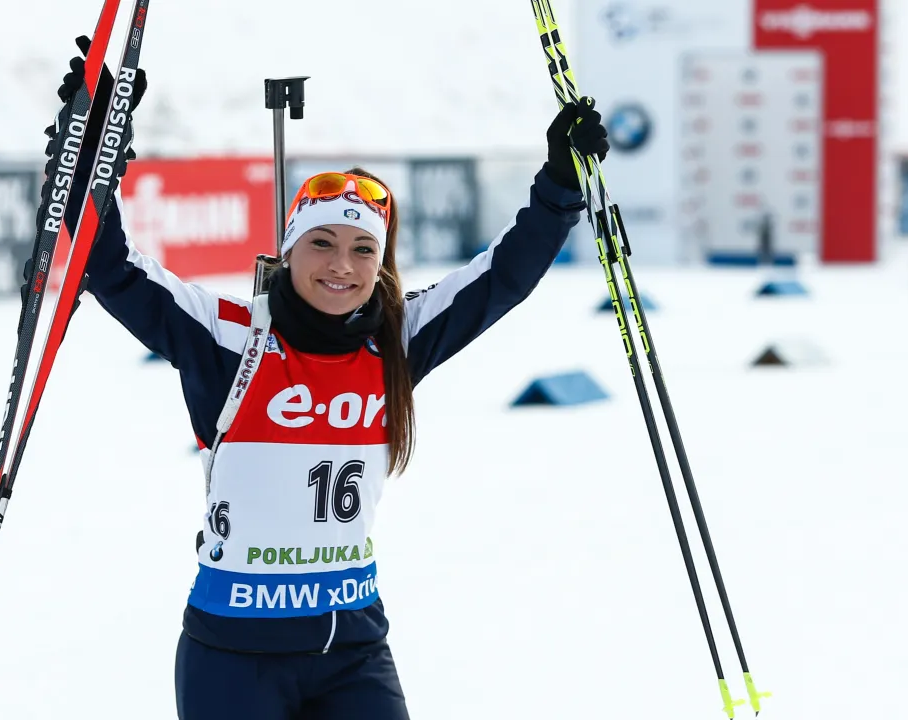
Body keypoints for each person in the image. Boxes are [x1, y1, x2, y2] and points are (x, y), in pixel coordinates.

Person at [51, 36, 609, 720]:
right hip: (233, 656)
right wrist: (93, 150)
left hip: (352, 653)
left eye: (361, 249)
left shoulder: (397, 341)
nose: (341, 265)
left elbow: (502, 279)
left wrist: (557, 187)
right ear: (289, 250)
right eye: (321, 243)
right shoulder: (228, 337)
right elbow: (109, 267)